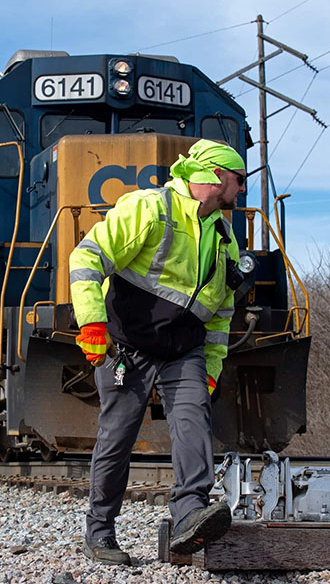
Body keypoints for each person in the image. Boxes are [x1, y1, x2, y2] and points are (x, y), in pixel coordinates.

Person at [69, 139, 247, 565]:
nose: (242, 190)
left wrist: (211, 367)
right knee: (118, 435)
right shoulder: (149, 208)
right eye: (239, 180)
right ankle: (100, 533)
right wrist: (92, 322)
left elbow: (220, 315)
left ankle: (189, 518)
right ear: (215, 176)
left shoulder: (224, 240)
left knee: (193, 423)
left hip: (184, 350)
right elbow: (87, 257)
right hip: (127, 345)